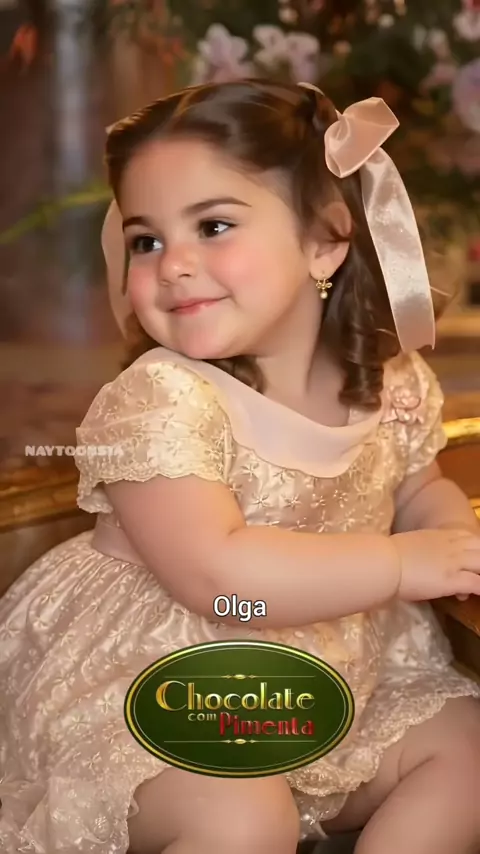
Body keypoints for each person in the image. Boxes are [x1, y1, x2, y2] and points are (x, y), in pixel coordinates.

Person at [1, 79, 480, 854]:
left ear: (325, 242)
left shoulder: (390, 383)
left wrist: (454, 546)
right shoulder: (162, 398)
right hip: (164, 672)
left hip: (338, 663)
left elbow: (418, 488)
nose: (173, 265)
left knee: (467, 750)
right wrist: (400, 565)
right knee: (240, 815)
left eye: (213, 226)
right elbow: (215, 574)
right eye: (146, 241)